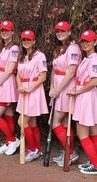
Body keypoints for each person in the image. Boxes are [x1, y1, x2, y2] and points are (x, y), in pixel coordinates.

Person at [49, 21, 82, 166]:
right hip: (57, 88)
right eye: (58, 31)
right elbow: (54, 70)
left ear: (69, 32)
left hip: (66, 88)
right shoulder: (60, 48)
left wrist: (58, 89)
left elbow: (71, 73)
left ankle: (71, 152)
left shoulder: (73, 49)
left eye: (63, 31)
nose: (60, 33)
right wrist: (52, 87)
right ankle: (67, 151)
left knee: (53, 121)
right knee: (63, 123)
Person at [67, 30, 97, 175]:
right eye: (83, 41)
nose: (85, 43)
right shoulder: (87, 58)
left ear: (95, 42)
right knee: (92, 132)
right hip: (85, 95)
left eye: (88, 41)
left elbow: (95, 81)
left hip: (87, 97)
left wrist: (77, 91)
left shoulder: (94, 59)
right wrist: (76, 87)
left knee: (82, 133)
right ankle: (94, 160)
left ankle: (96, 164)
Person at [0, 21, 20, 156]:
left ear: (13, 32)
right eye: (2, 30)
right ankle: (8, 142)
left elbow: (9, 70)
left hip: (7, 84)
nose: (4, 33)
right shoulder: (4, 47)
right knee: (8, 114)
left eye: (7, 30)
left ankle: (13, 140)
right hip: (1, 82)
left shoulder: (14, 48)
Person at [16, 30, 48, 162]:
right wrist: (20, 87)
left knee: (21, 122)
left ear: (34, 41)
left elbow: (43, 77)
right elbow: (18, 74)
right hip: (24, 90)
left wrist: (30, 88)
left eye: (29, 39)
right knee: (32, 122)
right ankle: (37, 149)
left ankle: (33, 149)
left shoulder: (40, 56)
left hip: (33, 91)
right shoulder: (22, 56)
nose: (26, 42)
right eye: (24, 39)